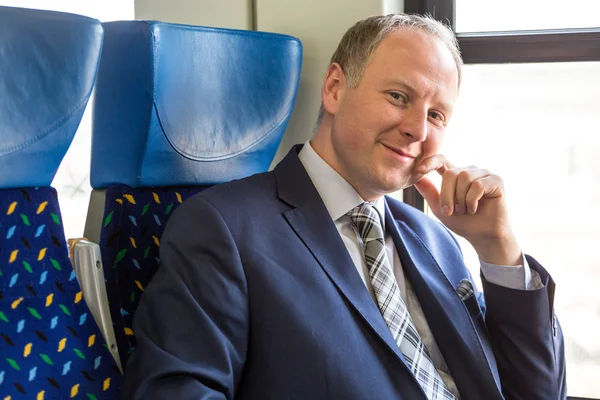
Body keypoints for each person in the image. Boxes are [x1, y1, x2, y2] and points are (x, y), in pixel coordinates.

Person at [121, 14, 566, 400]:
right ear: (335, 88)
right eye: (398, 96)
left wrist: (499, 250)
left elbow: (535, 394)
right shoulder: (225, 229)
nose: (417, 129)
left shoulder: (437, 240)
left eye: (436, 115)